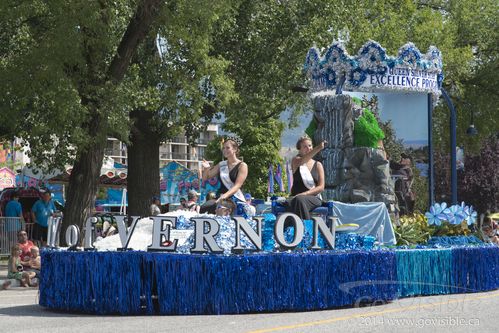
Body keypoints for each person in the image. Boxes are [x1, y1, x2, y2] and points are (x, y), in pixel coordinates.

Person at [201, 135, 250, 216]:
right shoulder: (221, 165)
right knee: (204, 208)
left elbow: (237, 185)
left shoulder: (242, 165)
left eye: (227, 148)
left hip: (234, 198)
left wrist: (225, 196)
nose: (224, 150)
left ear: (234, 149)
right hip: (220, 197)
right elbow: (205, 178)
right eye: (223, 148)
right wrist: (206, 168)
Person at [288, 136, 326, 220]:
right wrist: (318, 148)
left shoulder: (318, 165)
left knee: (299, 200)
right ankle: (306, 227)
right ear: (299, 149)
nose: (308, 148)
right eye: (305, 146)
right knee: (298, 200)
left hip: (313, 198)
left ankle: (305, 227)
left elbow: (321, 187)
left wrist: (305, 194)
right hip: (296, 197)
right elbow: (302, 161)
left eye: (310, 146)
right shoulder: (296, 161)